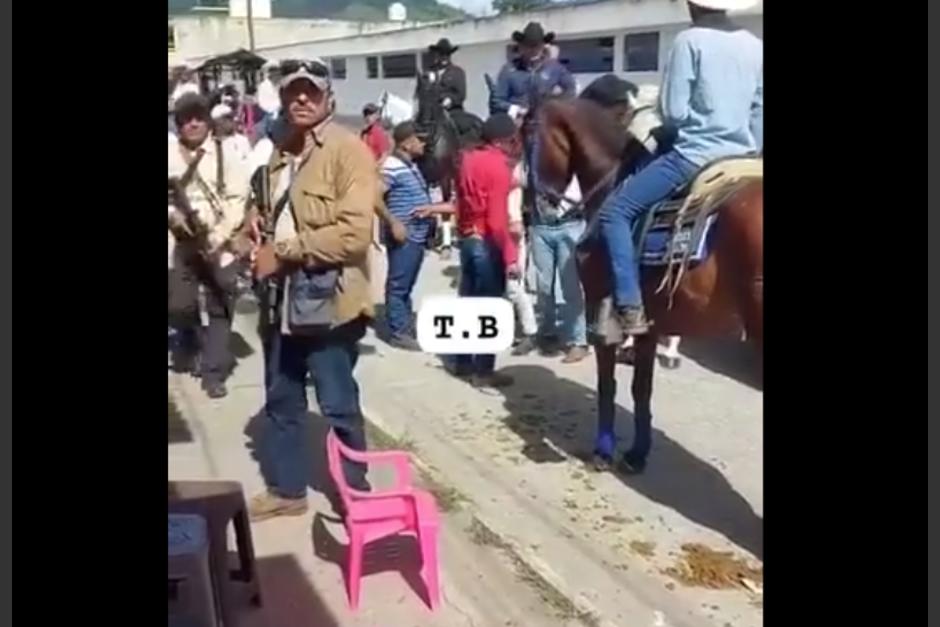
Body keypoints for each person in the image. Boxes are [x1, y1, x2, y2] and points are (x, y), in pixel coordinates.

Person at [247, 58, 377, 521]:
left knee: (338, 404)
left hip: (331, 301)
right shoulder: (282, 150)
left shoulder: (348, 151)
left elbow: (355, 233)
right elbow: (266, 205)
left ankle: (356, 494)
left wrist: (285, 251)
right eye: (293, 91)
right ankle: (287, 490)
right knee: (282, 401)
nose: (301, 98)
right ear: (282, 98)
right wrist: (254, 223)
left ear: (329, 98)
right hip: (280, 301)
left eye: (311, 91)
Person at [596, 0, 763, 334]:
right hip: (747, 159)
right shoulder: (755, 44)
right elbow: (759, 111)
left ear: (692, 5)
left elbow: (673, 112)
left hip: (696, 155)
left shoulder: (690, 41)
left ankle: (629, 307)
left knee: (615, 212)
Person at [167, 93, 251, 398]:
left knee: (221, 307)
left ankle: (214, 372)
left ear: (208, 121)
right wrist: (174, 218)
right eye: (186, 119)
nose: (192, 124)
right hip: (179, 244)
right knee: (178, 305)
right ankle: (191, 338)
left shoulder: (225, 153)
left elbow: (237, 197)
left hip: (219, 242)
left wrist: (218, 236)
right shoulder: (170, 153)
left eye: (198, 118)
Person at [450, 113, 520, 388]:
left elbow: (460, 202)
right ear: (505, 140)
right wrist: (511, 256)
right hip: (487, 241)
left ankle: (462, 362)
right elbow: (497, 220)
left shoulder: (467, 159)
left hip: (468, 238)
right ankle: (484, 371)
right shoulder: (498, 167)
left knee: (467, 302)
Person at [380, 122, 442, 350]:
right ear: (406, 142)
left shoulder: (410, 165)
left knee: (406, 283)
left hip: (416, 234)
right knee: (398, 284)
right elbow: (375, 196)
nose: (424, 144)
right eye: (420, 139)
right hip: (404, 234)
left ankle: (404, 325)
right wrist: (393, 222)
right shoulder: (391, 166)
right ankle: (398, 331)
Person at [423, 38, 467, 113]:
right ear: (437, 54)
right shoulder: (429, 72)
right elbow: (423, 91)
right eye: (441, 54)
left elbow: (461, 94)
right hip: (432, 111)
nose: (444, 57)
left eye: (447, 54)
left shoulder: (457, 72)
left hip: (453, 110)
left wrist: (450, 99)